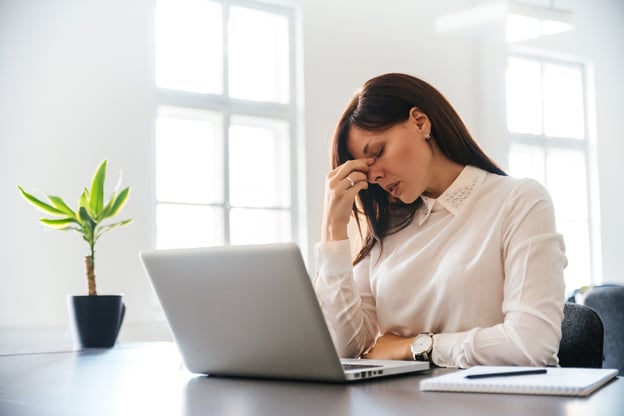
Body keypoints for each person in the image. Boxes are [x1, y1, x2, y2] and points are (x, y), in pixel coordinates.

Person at [313, 73, 567, 368]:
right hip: (402, 403)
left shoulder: (519, 201)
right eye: (366, 170)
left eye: (379, 152)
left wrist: (418, 347)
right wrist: (333, 231)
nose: (375, 176)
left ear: (420, 122)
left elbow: (531, 346)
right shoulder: (387, 227)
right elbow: (345, 348)